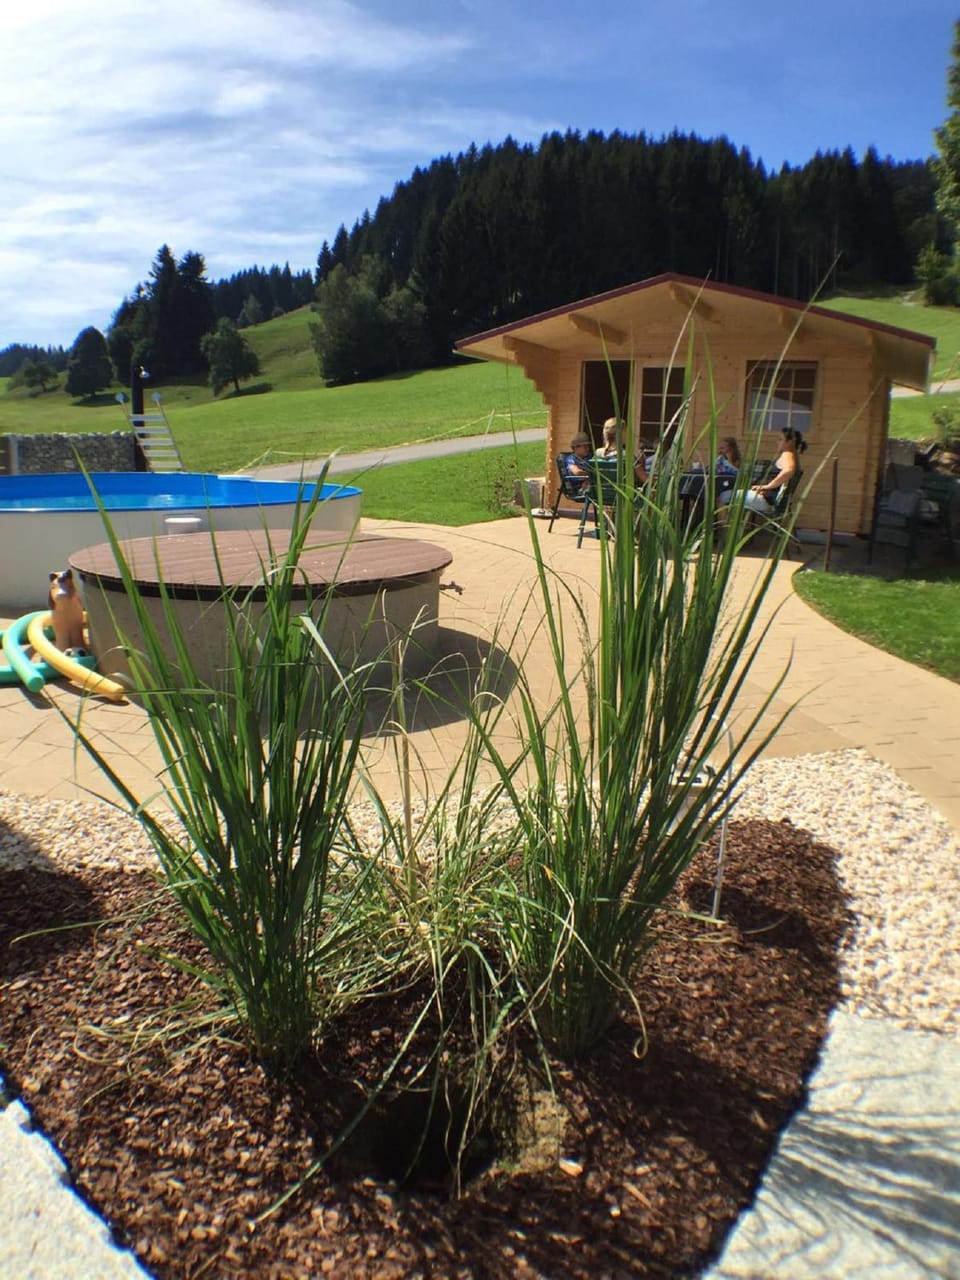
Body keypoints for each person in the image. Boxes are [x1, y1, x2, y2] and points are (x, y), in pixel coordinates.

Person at [742, 428, 806, 515]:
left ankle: (723, 528)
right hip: (767, 499)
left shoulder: (787, 455)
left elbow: (788, 470)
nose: (777, 442)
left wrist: (767, 486)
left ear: (790, 442)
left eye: (780, 439)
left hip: (764, 500)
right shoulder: (793, 456)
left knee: (724, 497)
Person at [715, 437, 741, 507]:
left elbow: (736, 470)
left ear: (730, 449)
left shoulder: (736, 459)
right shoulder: (720, 458)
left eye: (723, 448)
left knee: (719, 487)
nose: (720, 450)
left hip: (731, 481)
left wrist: (729, 457)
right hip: (721, 479)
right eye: (720, 448)